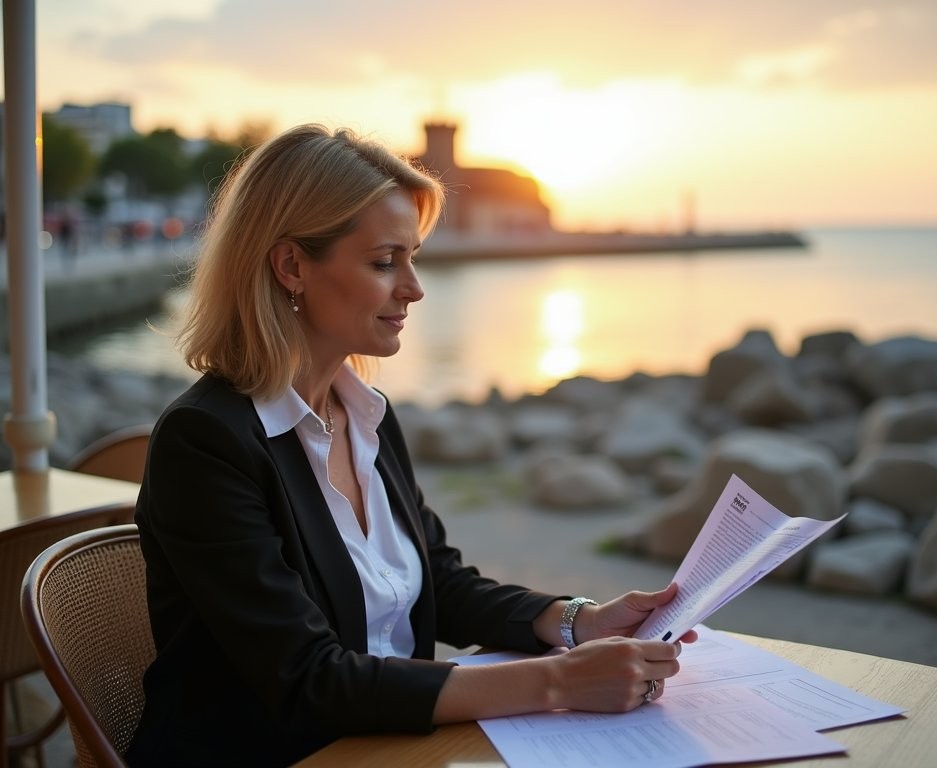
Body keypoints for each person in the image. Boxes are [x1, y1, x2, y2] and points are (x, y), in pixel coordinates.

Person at [127, 124, 695, 767]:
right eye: (383, 261)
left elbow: (439, 583)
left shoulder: (364, 412)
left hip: (389, 746)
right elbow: (308, 679)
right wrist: (561, 680)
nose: (414, 288)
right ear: (291, 266)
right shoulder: (206, 441)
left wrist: (574, 622)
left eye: (413, 257)